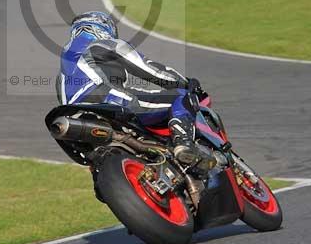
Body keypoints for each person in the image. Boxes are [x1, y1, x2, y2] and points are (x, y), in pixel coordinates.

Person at [56, 11, 207, 165]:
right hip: (111, 103)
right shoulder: (104, 44)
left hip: (71, 120)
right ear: (104, 28)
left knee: (98, 167)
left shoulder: (61, 76)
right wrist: (186, 83)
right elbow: (152, 71)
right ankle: (184, 144)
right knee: (180, 97)